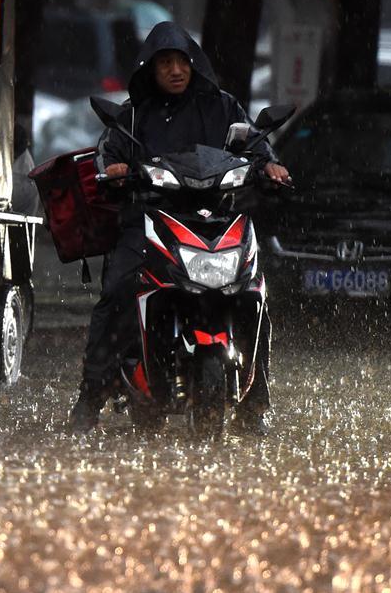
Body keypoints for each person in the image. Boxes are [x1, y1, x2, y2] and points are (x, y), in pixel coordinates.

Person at [69, 22, 290, 434]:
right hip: (150, 220)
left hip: (218, 220)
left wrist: (269, 166)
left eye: (180, 62)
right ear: (150, 70)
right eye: (164, 63)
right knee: (116, 294)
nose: (174, 70)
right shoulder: (134, 116)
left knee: (254, 295)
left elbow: (255, 146)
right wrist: (112, 170)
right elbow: (108, 152)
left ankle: (255, 403)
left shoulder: (222, 107)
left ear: (193, 64)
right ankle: (90, 398)